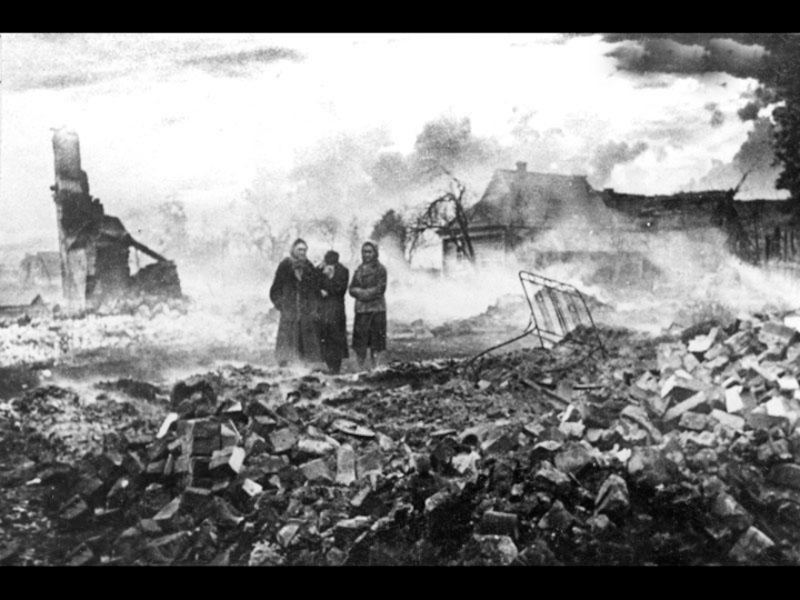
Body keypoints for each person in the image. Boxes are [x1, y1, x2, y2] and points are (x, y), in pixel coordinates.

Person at [269, 238, 322, 367]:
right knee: (287, 345)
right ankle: (285, 369)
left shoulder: (309, 267)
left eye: (304, 250)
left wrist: (312, 308)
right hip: (289, 313)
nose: (302, 252)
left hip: (305, 314)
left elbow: (315, 290)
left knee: (305, 345)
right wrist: (282, 305)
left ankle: (303, 370)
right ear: (293, 250)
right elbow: (275, 290)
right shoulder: (285, 265)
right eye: (299, 249)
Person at [349, 240, 387, 369]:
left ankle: (375, 369)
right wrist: (360, 292)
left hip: (376, 310)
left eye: (370, 252)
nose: (367, 255)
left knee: (376, 344)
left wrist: (362, 294)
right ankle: (359, 369)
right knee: (360, 344)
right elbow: (351, 288)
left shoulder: (381, 270)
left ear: (375, 253)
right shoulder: (359, 269)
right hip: (361, 311)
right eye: (364, 252)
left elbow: (380, 289)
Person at [317, 250, 349, 374]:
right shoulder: (321, 269)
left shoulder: (343, 271)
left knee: (336, 338)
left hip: (336, 308)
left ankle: (336, 368)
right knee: (326, 337)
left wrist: (329, 281)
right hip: (324, 308)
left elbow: (341, 290)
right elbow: (315, 284)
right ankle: (330, 367)